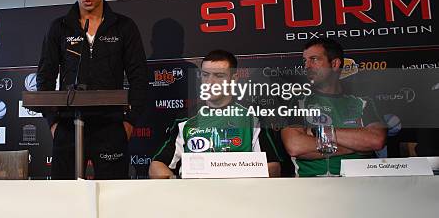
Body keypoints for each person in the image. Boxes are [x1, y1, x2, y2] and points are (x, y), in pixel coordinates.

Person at [37, 0, 148, 179]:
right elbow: (45, 76)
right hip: (68, 127)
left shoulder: (124, 26)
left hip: (111, 126)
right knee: (65, 200)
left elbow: (139, 77)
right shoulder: (58, 27)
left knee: (113, 199)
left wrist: (129, 122)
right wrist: (53, 123)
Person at [149, 50, 282, 178]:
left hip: (240, 195)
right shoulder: (185, 118)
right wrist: (180, 187)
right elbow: (157, 166)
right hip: (194, 195)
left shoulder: (252, 116)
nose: (210, 82)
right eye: (205, 75)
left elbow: (273, 167)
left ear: (234, 78)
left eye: (219, 76)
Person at [281, 38, 386, 177]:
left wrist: (318, 132)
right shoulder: (297, 103)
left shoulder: (363, 103)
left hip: (359, 187)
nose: (307, 66)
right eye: (305, 61)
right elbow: (295, 146)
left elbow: (376, 140)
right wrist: (355, 147)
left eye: (314, 59)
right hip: (310, 189)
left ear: (335, 64)